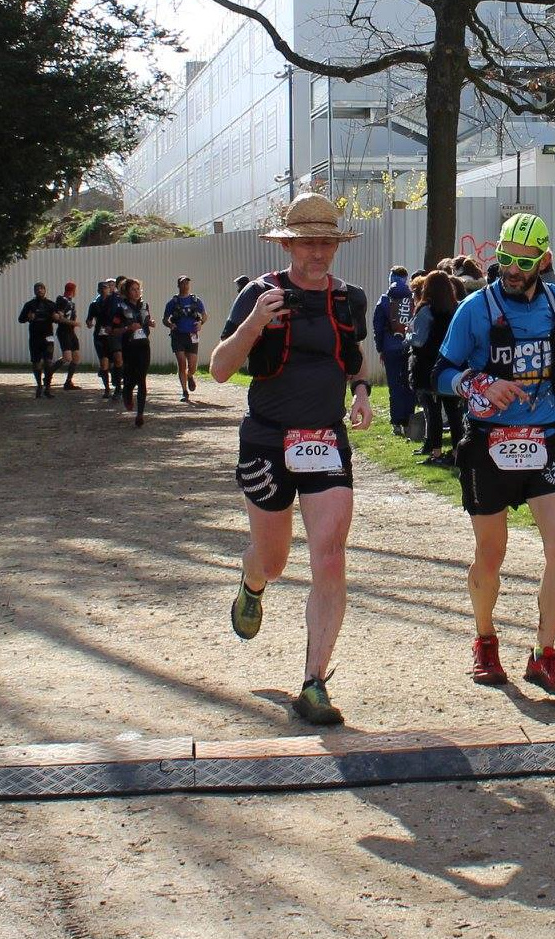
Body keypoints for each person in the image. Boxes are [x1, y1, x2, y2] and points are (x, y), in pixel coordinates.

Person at [210, 193, 374, 726]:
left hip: (324, 439)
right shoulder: (260, 294)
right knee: (276, 560)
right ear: (288, 244)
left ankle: (314, 681)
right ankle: (253, 580)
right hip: (267, 438)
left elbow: (352, 359)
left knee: (329, 554)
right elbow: (218, 369)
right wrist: (255, 322)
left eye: (326, 242)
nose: (317, 252)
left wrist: (362, 391)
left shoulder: (350, 300)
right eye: (307, 242)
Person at [433, 213, 555, 692]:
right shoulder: (474, 310)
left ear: (544, 261)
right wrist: (481, 382)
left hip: (546, 436)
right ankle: (485, 639)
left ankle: (545, 653)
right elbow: (439, 371)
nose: (511, 268)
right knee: (492, 551)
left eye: (523, 261)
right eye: (504, 257)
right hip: (490, 442)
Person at [410, 271, 465, 465]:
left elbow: (418, 340)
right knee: (454, 413)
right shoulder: (457, 308)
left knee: (432, 412)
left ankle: (436, 452)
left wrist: (407, 337)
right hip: (451, 366)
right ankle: (459, 452)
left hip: (427, 366)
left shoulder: (425, 310)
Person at [374, 265, 415, 435]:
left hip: (390, 348)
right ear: (405, 279)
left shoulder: (384, 300)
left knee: (395, 385)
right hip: (409, 347)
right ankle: (410, 422)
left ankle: (397, 423)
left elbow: (377, 327)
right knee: (409, 384)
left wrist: (380, 349)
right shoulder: (413, 298)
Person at [108, 277, 153, 427]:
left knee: (142, 379)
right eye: (133, 289)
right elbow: (113, 330)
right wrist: (127, 328)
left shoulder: (145, 305)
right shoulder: (120, 308)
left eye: (138, 289)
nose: (136, 292)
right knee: (130, 378)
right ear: (126, 292)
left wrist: (150, 323)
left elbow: (147, 321)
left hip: (144, 346)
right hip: (129, 346)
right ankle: (127, 391)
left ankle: (140, 414)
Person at [163, 276, 207, 403]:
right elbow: (165, 319)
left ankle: (190, 375)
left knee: (192, 365)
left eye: (187, 283)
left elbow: (204, 315)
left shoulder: (196, 301)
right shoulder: (172, 303)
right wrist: (170, 324)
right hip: (178, 335)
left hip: (192, 335)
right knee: (182, 363)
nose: (185, 285)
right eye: (183, 283)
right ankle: (184, 391)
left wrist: (201, 323)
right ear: (178, 285)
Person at [18, 282, 60, 397]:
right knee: (36, 364)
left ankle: (48, 387)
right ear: (34, 291)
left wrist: (56, 318)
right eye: (37, 289)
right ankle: (39, 385)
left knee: (48, 362)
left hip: (48, 337)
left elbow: (57, 319)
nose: (39, 291)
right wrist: (28, 317)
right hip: (35, 338)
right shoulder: (29, 305)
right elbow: (20, 319)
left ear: (45, 290)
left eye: (41, 288)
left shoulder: (51, 304)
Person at [86, 279, 116, 398]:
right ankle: (107, 389)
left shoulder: (114, 302)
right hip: (99, 335)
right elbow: (89, 318)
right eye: (102, 288)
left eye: (106, 288)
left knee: (114, 362)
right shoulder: (94, 304)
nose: (104, 290)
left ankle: (116, 383)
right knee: (104, 363)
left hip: (112, 335)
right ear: (98, 290)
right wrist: (89, 323)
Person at [54, 282, 82, 390]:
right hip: (64, 331)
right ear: (73, 290)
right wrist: (73, 323)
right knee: (67, 358)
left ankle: (68, 382)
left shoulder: (70, 302)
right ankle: (49, 374)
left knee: (76, 357)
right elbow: (59, 318)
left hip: (71, 332)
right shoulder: (62, 300)